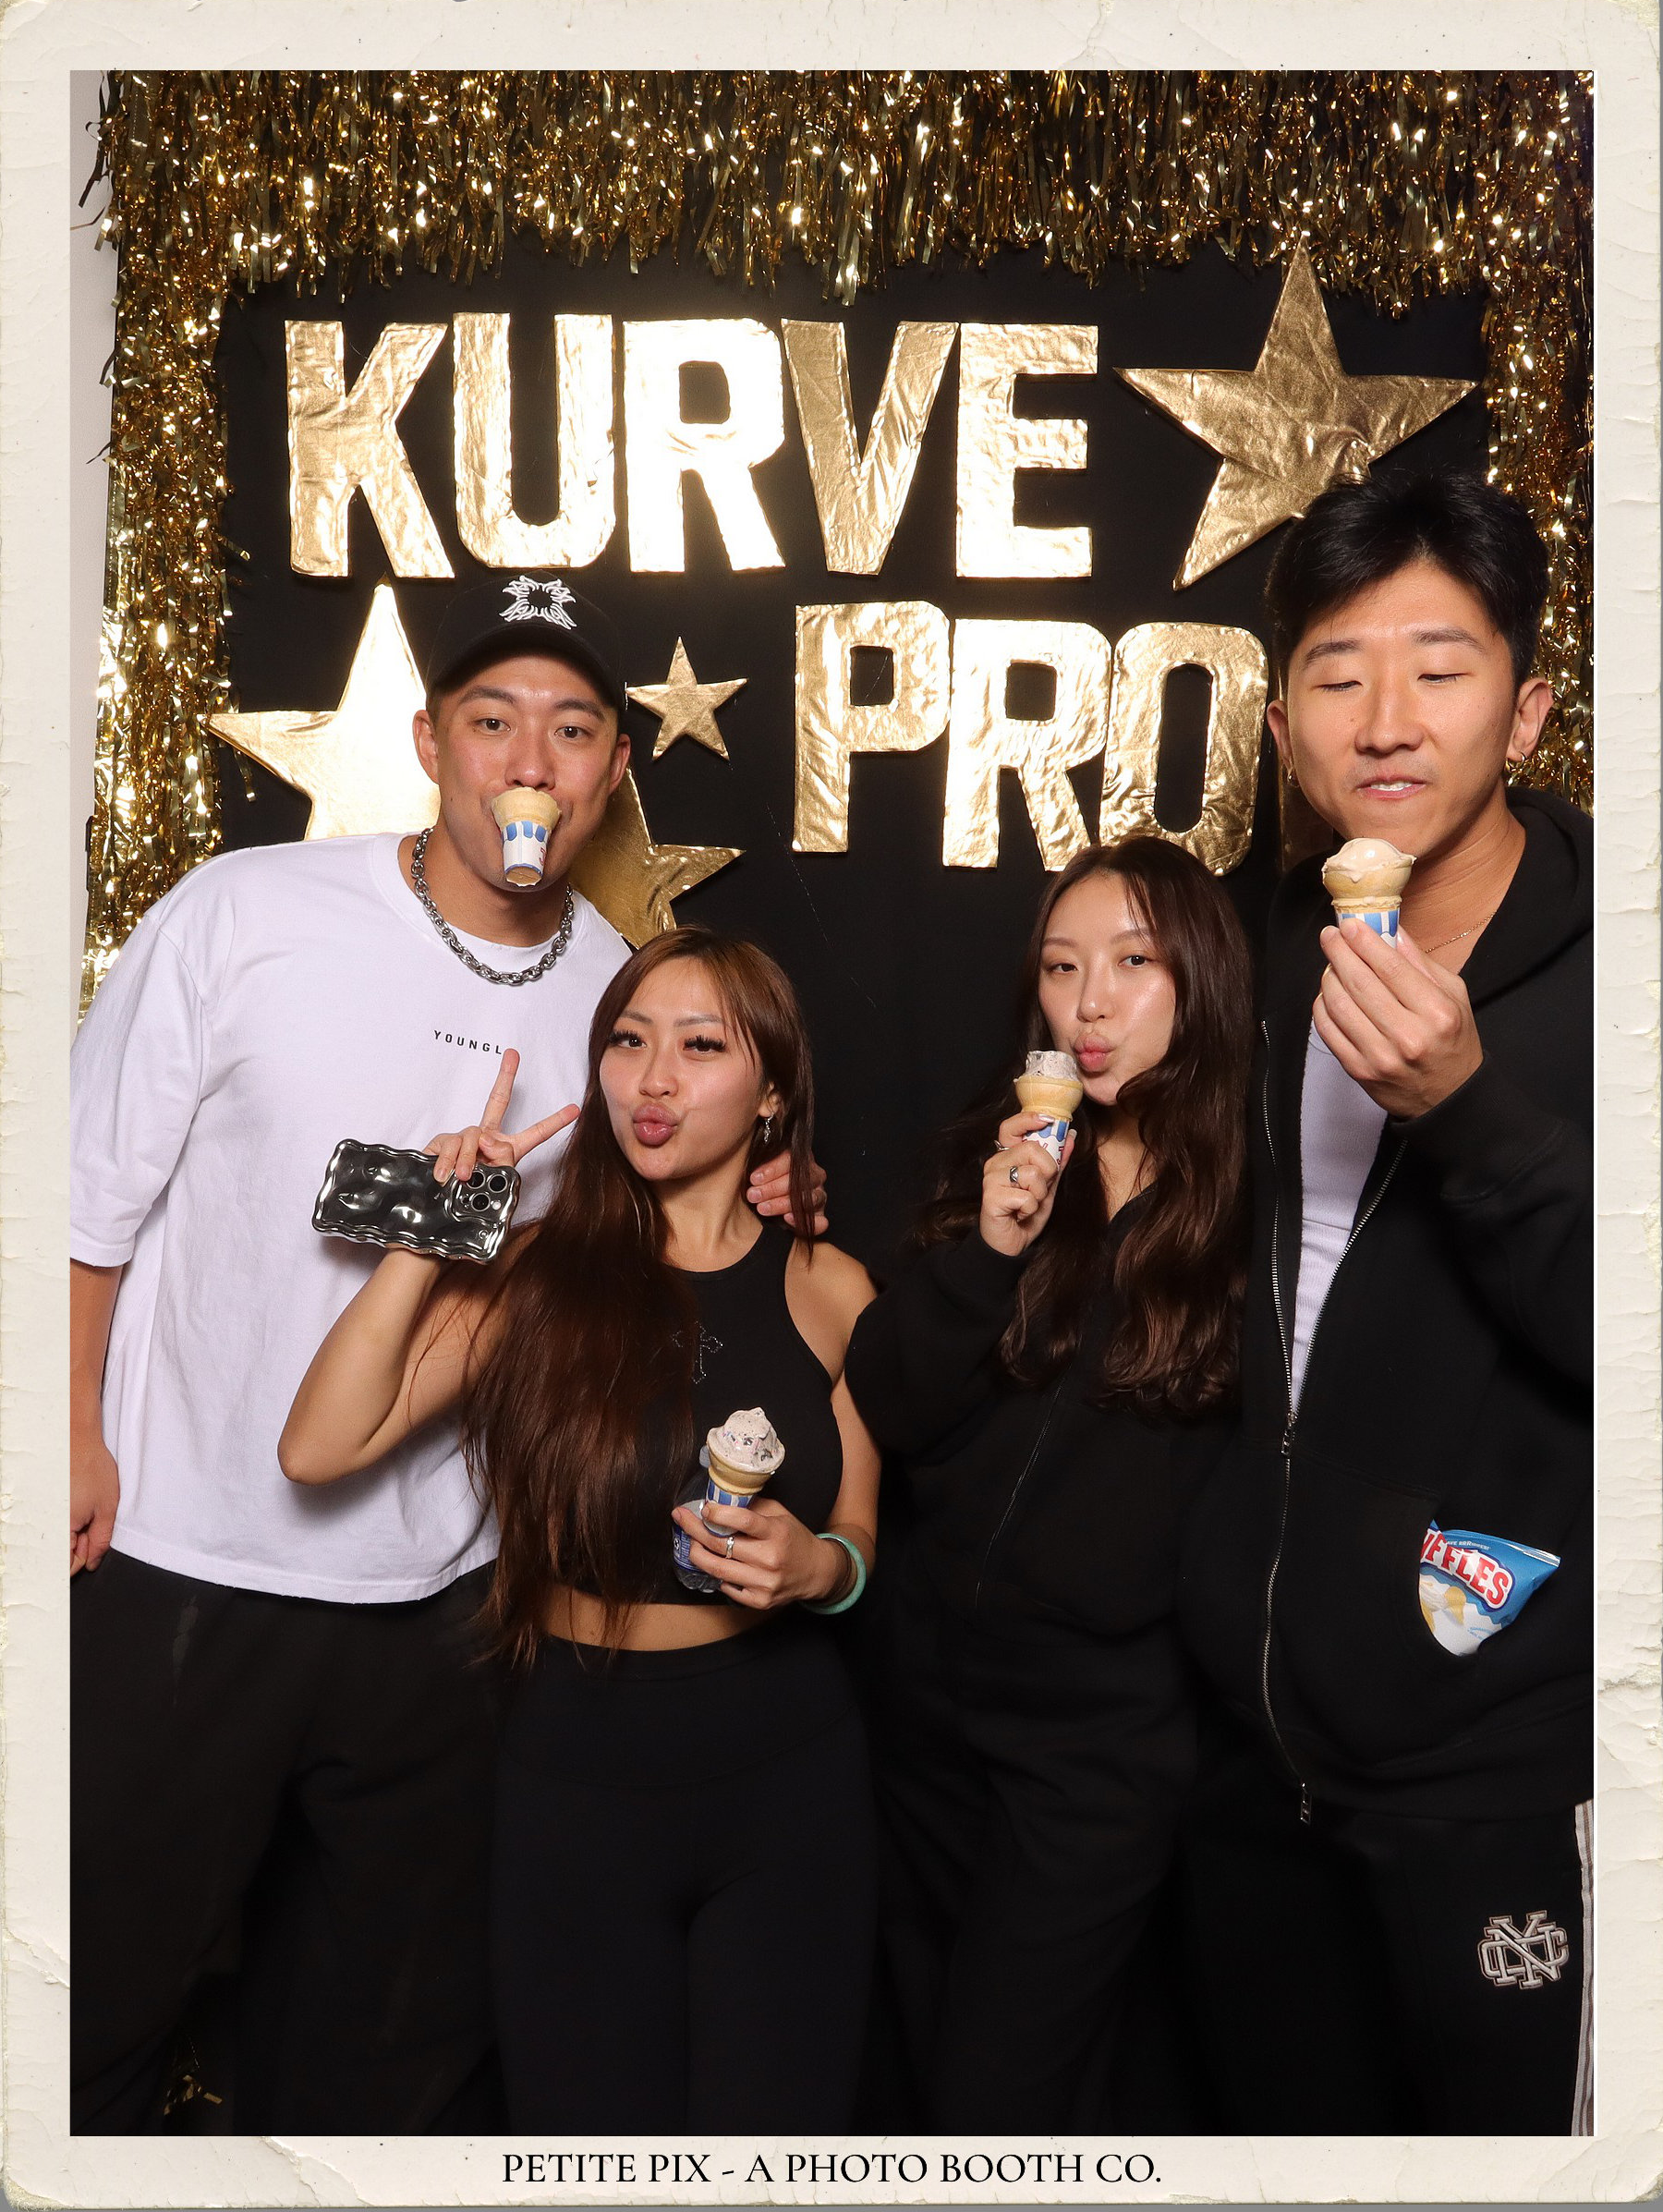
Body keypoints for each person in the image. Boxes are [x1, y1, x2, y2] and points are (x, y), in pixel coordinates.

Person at [68, 576, 810, 2133]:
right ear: (430, 743)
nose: (530, 760)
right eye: (492, 720)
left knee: (386, 2043)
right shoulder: (245, 911)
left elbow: (637, 1214)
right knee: (97, 1997)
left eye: (572, 728)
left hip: (443, 1599)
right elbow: (83, 1193)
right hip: (184, 1553)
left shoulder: (619, 997)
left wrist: (764, 1178)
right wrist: (68, 1423)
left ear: (612, 770)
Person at [278, 929, 880, 2130]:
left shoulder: (833, 1287)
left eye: (700, 1047)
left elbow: (860, 1526)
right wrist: (432, 1229)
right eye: (627, 1041)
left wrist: (822, 1567)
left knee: (777, 2156)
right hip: (576, 1772)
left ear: (771, 1092)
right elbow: (318, 1448)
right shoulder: (538, 1273)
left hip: (789, 1775)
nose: (652, 1079)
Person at [1176, 471, 1593, 2133]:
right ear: (1286, 731)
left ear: (1530, 709)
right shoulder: (1272, 945)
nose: (1389, 720)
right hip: (1254, 1736)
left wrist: (1467, 1113)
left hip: (1497, 1750)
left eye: (1441, 666)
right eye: (1340, 676)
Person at [843, 836, 1253, 2129]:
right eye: (1063, 968)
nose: (1090, 1004)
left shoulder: (1260, 1195)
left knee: (1001, 2096)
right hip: (921, 1705)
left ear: (1200, 980)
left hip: (1096, 1741)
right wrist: (988, 1249)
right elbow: (891, 1404)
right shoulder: (1005, 1152)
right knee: (912, 2071)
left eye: (1133, 963)